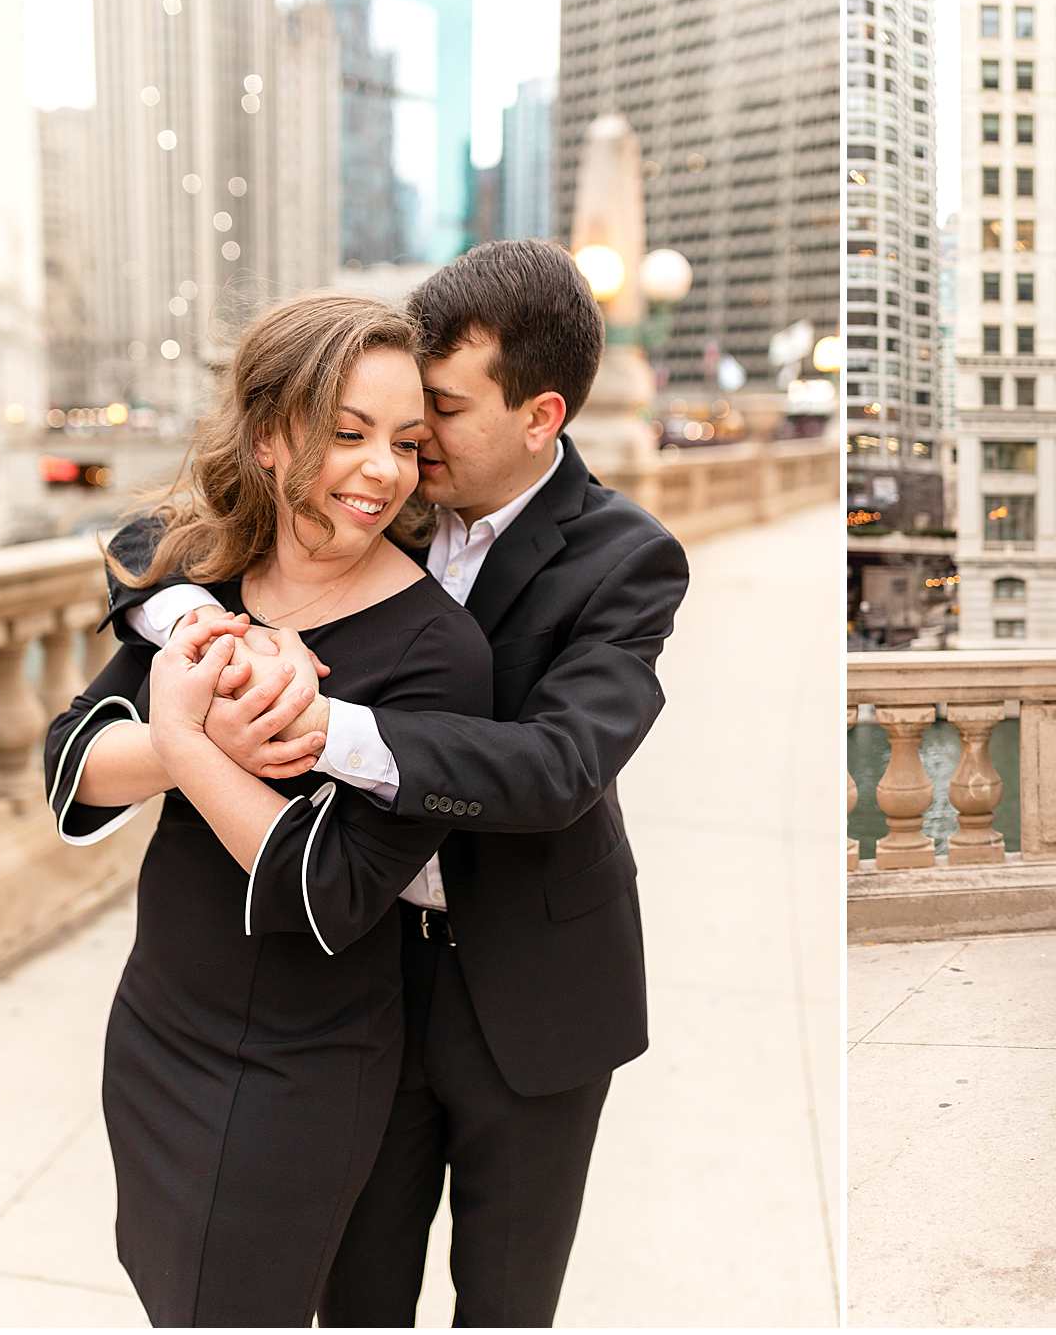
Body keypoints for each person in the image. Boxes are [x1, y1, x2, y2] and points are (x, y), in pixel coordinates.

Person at [103, 239, 691, 1325]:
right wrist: (201, 622)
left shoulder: (627, 557)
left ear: (540, 414)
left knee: (506, 1302)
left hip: (532, 989)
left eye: (440, 415)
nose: (401, 450)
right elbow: (157, 535)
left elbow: (559, 767)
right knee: (356, 1295)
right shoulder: (385, 493)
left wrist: (318, 722)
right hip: (360, 987)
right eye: (385, 421)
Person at [43, 293, 494, 1325]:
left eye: (404, 441)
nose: (380, 468)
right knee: (169, 1290)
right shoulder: (209, 583)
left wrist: (198, 747)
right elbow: (70, 754)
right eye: (347, 433)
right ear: (269, 435)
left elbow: (326, 889)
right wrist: (172, 734)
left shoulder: (440, 650)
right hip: (156, 1020)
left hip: (299, 1060)